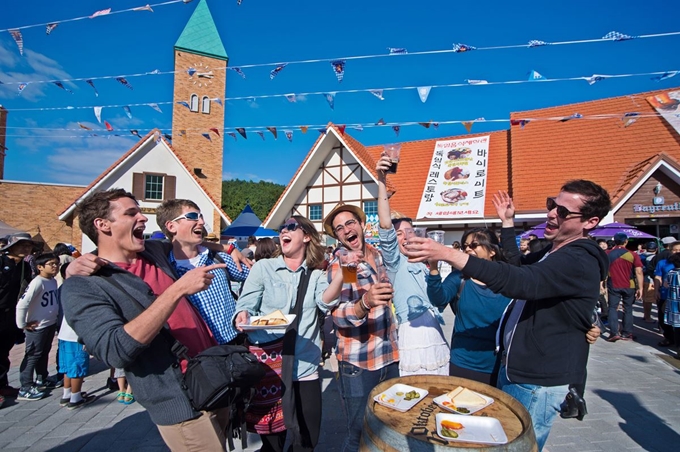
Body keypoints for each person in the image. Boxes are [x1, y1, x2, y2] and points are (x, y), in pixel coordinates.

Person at [404, 180, 610, 450]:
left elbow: (520, 281)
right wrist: (508, 223)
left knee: (515, 447)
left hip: (536, 380)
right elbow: (518, 266)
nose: (551, 213)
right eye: (552, 205)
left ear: (590, 222)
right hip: (514, 370)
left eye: (562, 212)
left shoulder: (577, 259)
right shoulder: (554, 250)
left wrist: (448, 253)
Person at [61, 188, 231, 451]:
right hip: (180, 400)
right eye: (132, 213)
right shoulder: (83, 287)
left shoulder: (153, 251)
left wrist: (229, 248)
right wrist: (177, 290)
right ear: (102, 224)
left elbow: (188, 241)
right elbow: (114, 351)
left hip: (214, 379)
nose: (143, 218)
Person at [234, 216, 341, 452]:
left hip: (305, 366)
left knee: (307, 439)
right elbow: (247, 303)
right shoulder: (264, 267)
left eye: (292, 227)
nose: (284, 230)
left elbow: (325, 302)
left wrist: (344, 272)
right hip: (270, 367)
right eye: (282, 227)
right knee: (273, 443)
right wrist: (242, 314)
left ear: (306, 237)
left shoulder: (316, 275)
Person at [323, 203, 399, 452]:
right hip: (358, 364)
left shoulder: (376, 255)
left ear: (361, 224)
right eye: (339, 228)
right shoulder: (345, 265)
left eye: (350, 223)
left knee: (388, 426)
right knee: (358, 434)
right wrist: (364, 303)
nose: (346, 230)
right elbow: (339, 315)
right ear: (337, 237)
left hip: (389, 357)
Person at [376, 155, 449, 376]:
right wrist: (381, 179)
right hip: (413, 332)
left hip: (435, 330)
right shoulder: (394, 262)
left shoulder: (424, 262)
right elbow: (384, 222)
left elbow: (440, 301)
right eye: (399, 233)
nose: (406, 236)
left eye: (410, 231)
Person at [156, 199, 250, 346]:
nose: (201, 222)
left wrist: (244, 307)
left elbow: (255, 279)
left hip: (234, 345)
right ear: (171, 226)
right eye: (193, 216)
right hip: (197, 355)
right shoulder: (163, 268)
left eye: (201, 217)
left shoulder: (217, 258)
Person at [427, 227, 512, 385]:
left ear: (492, 251)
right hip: (462, 362)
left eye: (474, 245)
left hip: (496, 364)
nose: (467, 249)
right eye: (465, 245)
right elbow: (438, 300)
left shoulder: (507, 280)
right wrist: (433, 267)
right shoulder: (459, 278)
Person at [15, 253, 60, 401]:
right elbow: (22, 303)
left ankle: (42, 378)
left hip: (49, 324)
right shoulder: (37, 282)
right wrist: (22, 324)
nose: (55, 266)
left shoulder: (52, 281)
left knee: (44, 352)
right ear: (40, 267)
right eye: (51, 264)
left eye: (57, 263)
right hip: (37, 327)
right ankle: (25, 386)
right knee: (33, 355)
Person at [0, 233, 35, 405]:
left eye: (28, 245)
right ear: (11, 246)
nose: (26, 248)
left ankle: (2, 384)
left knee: (4, 350)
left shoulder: (25, 267)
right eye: (22, 245)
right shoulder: (1, 262)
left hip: (11, 314)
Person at [56, 299, 96, 409]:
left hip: (64, 334)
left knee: (68, 367)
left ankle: (67, 393)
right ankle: (75, 397)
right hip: (76, 337)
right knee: (78, 367)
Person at [606, 232, 643, 342]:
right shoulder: (633, 254)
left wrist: (602, 283)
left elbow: (603, 270)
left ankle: (614, 332)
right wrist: (640, 288)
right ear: (626, 241)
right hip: (629, 285)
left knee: (612, 307)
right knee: (628, 308)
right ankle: (627, 333)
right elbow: (639, 271)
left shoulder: (608, 253)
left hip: (613, 284)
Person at [654, 241, 680, 347]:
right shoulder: (663, 263)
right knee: (663, 317)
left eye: (679, 250)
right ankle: (669, 338)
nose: (677, 252)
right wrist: (656, 291)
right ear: (670, 250)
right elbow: (657, 277)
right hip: (666, 295)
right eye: (675, 250)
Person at [639, 241, 659, 323]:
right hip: (650, 280)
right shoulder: (654, 257)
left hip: (641, 278)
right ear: (656, 249)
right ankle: (647, 317)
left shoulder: (640, 256)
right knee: (649, 300)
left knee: (644, 299)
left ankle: (645, 315)